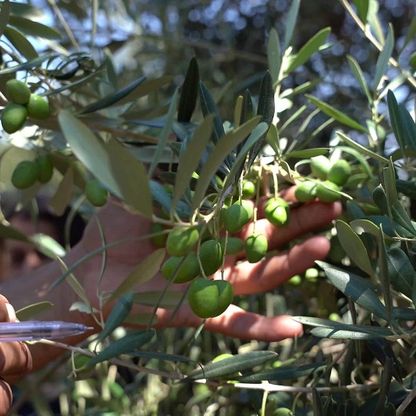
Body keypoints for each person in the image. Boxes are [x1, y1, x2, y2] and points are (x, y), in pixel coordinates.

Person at [0, 189, 341, 414]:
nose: (32, 264)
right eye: (16, 255)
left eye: (44, 254)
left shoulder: (121, 374)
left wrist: (88, 272)